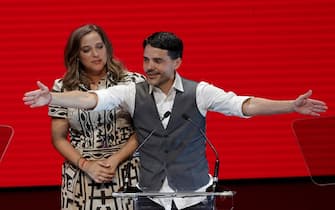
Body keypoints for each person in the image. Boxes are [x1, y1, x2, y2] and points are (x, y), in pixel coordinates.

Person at [23, 32, 327, 210]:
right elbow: (92, 100)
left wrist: (290, 105)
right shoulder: (132, 91)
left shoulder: (200, 92)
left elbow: (244, 105)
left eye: (158, 60)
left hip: (195, 197)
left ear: (177, 62)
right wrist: (53, 98)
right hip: (150, 198)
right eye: (146, 60)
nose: (149, 67)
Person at [45, 24, 144, 210]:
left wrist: (115, 159)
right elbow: (58, 138)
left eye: (99, 46)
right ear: (76, 55)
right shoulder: (62, 88)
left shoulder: (133, 82)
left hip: (126, 172)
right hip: (81, 176)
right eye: (86, 49)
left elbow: (144, 130)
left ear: (107, 47)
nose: (95, 54)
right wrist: (86, 165)